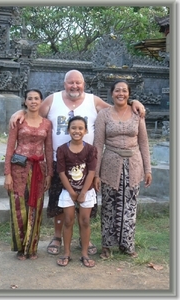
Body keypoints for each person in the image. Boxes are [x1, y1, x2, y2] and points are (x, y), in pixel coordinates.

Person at [9, 70, 146, 256]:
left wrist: (133, 102)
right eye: (70, 83)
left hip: (86, 163)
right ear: (64, 84)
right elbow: (33, 111)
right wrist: (19, 111)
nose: (74, 86)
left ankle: (84, 238)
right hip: (60, 161)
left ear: (84, 84)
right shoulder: (52, 99)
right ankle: (57, 237)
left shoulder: (94, 100)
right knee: (59, 202)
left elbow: (118, 106)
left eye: (78, 83)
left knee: (86, 202)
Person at [93, 80, 152, 259]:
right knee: (109, 205)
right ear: (111, 94)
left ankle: (127, 244)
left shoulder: (137, 114)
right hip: (111, 163)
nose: (121, 93)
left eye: (124, 91)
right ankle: (107, 245)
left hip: (134, 164)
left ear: (129, 94)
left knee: (130, 205)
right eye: (117, 90)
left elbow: (143, 142)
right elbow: (98, 144)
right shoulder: (104, 115)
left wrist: (148, 169)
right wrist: (96, 173)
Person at [4, 89, 53, 260]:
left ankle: (32, 247)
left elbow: (48, 149)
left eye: (36, 98)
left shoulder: (47, 123)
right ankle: (20, 247)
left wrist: (49, 174)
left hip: (39, 169)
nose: (33, 101)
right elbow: (10, 148)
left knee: (36, 207)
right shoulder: (18, 121)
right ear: (25, 101)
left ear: (41, 102)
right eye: (30, 99)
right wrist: (7, 174)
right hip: (19, 169)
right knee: (19, 206)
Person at [56, 116, 97, 268]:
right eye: (73, 128)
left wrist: (83, 192)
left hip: (86, 190)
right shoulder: (62, 150)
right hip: (69, 190)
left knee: (85, 221)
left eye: (80, 128)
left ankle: (84, 253)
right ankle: (66, 252)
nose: (77, 131)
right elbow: (61, 172)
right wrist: (72, 192)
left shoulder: (91, 150)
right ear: (68, 130)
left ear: (85, 131)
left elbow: (91, 172)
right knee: (68, 220)